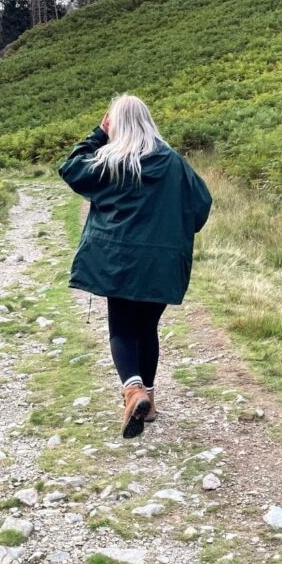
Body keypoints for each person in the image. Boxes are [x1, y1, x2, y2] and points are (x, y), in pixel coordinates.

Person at [59, 94, 212, 439]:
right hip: (163, 261)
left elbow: (70, 168)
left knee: (122, 330)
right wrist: (174, 230)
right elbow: (201, 204)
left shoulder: (111, 160)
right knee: (147, 329)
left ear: (115, 124)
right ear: (148, 121)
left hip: (120, 262)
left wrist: (98, 134)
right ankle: (150, 401)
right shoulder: (174, 162)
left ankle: (133, 391)